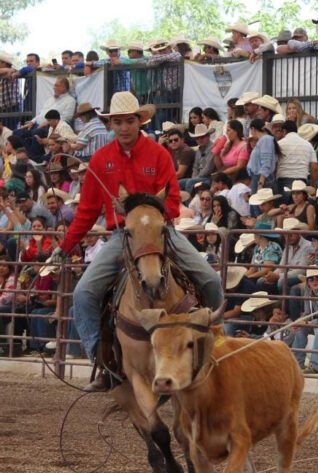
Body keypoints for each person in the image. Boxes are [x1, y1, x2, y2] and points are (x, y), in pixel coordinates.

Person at [48, 92, 225, 391]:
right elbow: (88, 212)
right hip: (122, 235)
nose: (123, 127)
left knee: (209, 278)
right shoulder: (100, 160)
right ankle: (101, 361)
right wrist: (63, 248)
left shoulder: (158, 155)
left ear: (139, 121)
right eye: (117, 122)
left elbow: (171, 203)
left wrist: (136, 208)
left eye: (129, 121)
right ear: (111, 124)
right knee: (84, 293)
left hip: (161, 231)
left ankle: (219, 346)